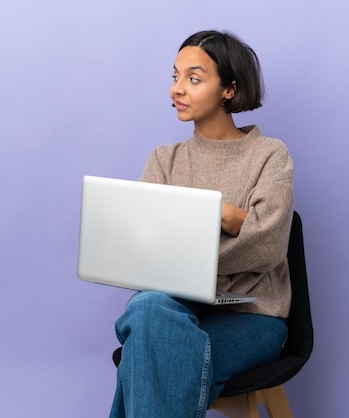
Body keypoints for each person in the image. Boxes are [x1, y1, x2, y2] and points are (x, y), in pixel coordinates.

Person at [109, 30, 294, 418]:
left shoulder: (268, 155)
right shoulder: (165, 160)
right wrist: (235, 221)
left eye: (193, 79)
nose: (178, 88)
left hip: (252, 316)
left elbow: (269, 245)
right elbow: (145, 253)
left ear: (229, 89)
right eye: (174, 76)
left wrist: (222, 216)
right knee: (148, 308)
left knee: (145, 353)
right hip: (175, 308)